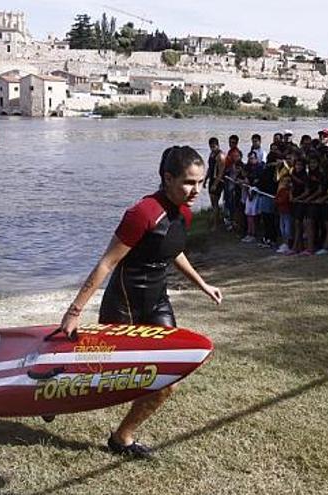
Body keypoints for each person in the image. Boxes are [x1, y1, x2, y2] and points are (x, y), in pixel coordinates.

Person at [58, 146, 223, 458]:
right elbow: (107, 263)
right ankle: (56, 395)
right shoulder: (142, 213)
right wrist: (74, 311)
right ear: (168, 177)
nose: (196, 190)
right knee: (106, 376)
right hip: (124, 304)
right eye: (189, 182)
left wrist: (203, 284)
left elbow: (171, 251)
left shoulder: (183, 212)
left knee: (169, 379)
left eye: (201, 182)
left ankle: (122, 438)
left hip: (157, 302)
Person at [206, 137, 225, 231]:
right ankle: (215, 219)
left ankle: (216, 224)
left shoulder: (220, 156)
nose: (212, 148)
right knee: (213, 203)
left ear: (217, 145)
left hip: (218, 181)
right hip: (211, 180)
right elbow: (210, 168)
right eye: (211, 146)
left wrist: (215, 184)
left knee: (215, 202)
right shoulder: (211, 154)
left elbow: (221, 172)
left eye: (214, 146)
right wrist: (206, 179)